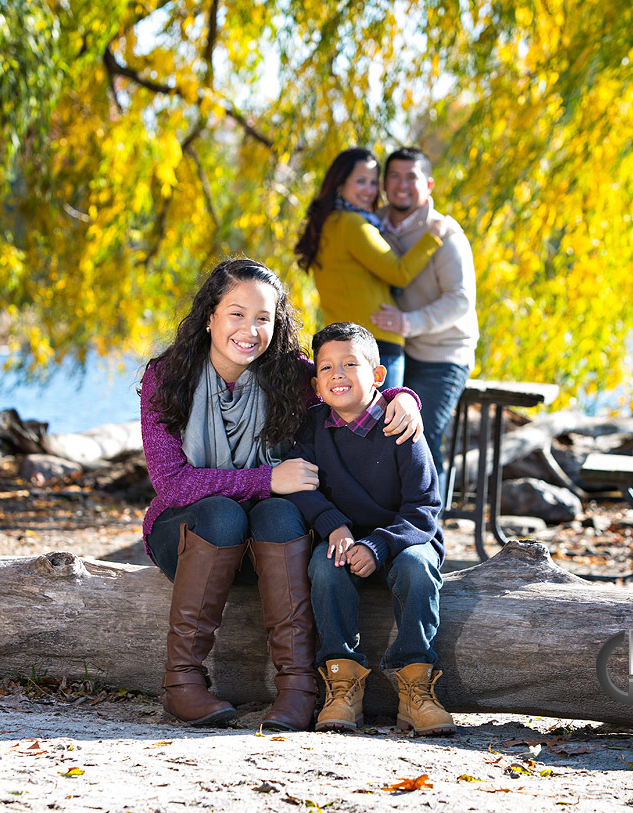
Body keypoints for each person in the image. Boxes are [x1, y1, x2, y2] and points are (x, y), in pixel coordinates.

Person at [140, 258, 424, 732]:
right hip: (191, 535)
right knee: (222, 513)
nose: (249, 329)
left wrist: (403, 397)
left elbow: (350, 381)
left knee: (277, 512)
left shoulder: (290, 375)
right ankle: (182, 684)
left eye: (263, 318)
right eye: (236, 313)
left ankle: (297, 689)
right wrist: (267, 478)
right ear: (209, 315)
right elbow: (173, 484)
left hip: (273, 547)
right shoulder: (167, 378)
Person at [284, 322, 455, 736]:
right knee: (325, 568)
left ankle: (416, 686)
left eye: (349, 364)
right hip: (345, 537)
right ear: (316, 382)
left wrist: (378, 545)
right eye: (326, 368)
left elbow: (425, 507)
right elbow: (302, 487)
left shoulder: (401, 427)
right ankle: (343, 684)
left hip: (405, 537)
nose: (337, 375)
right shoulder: (312, 426)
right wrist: (334, 526)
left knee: (417, 567)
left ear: (378, 375)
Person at [294, 147, 449, 389]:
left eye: (373, 183)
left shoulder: (329, 222)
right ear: (340, 184)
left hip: (342, 341)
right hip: (376, 344)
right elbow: (399, 273)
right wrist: (434, 236)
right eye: (360, 181)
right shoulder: (353, 223)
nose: (369, 190)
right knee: (383, 425)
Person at [369, 147, 479, 484]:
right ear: (384, 183)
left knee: (420, 436)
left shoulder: (444, 233)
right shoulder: (372, 226)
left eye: (411, 177)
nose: (402, 185)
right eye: (394, 176)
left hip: (441, 352)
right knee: (377, 437)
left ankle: (431, 532)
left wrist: (408, 323)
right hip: (393, 349)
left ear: (428, 184)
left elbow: (461, 300)